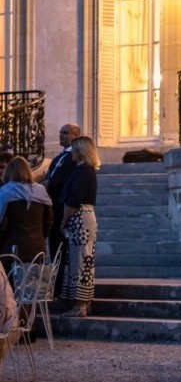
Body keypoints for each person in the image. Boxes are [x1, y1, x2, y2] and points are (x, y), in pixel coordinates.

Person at [59, 136, 100, 317]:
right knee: (84, 259)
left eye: (74, 149)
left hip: (79, 217)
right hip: (86, 216)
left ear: (81, 151)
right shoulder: (87, 170)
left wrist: (64, 221)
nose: (72, 152)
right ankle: (85, 302)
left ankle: (80, 304)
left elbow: (74, 200)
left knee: (80, 260)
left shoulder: (83, 170)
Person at [39, 123, 80, 290]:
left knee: (61, 249)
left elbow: (67, 181)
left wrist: (50, 183)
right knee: (54, 247)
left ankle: (60, 287)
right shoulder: (58, 158)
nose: (61, 136)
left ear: (76, 137)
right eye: (60, 132)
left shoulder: (74, 158)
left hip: (62, 205)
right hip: (52, 206)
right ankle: (55, 286)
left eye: (66, 133)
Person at [0, 155, 53, 272]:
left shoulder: (5, 192)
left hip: (12, 249)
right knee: (33, 285)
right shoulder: (41, 191)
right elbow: (49, 220)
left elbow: (2, 223)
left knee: (12, 285)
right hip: (37, 247)